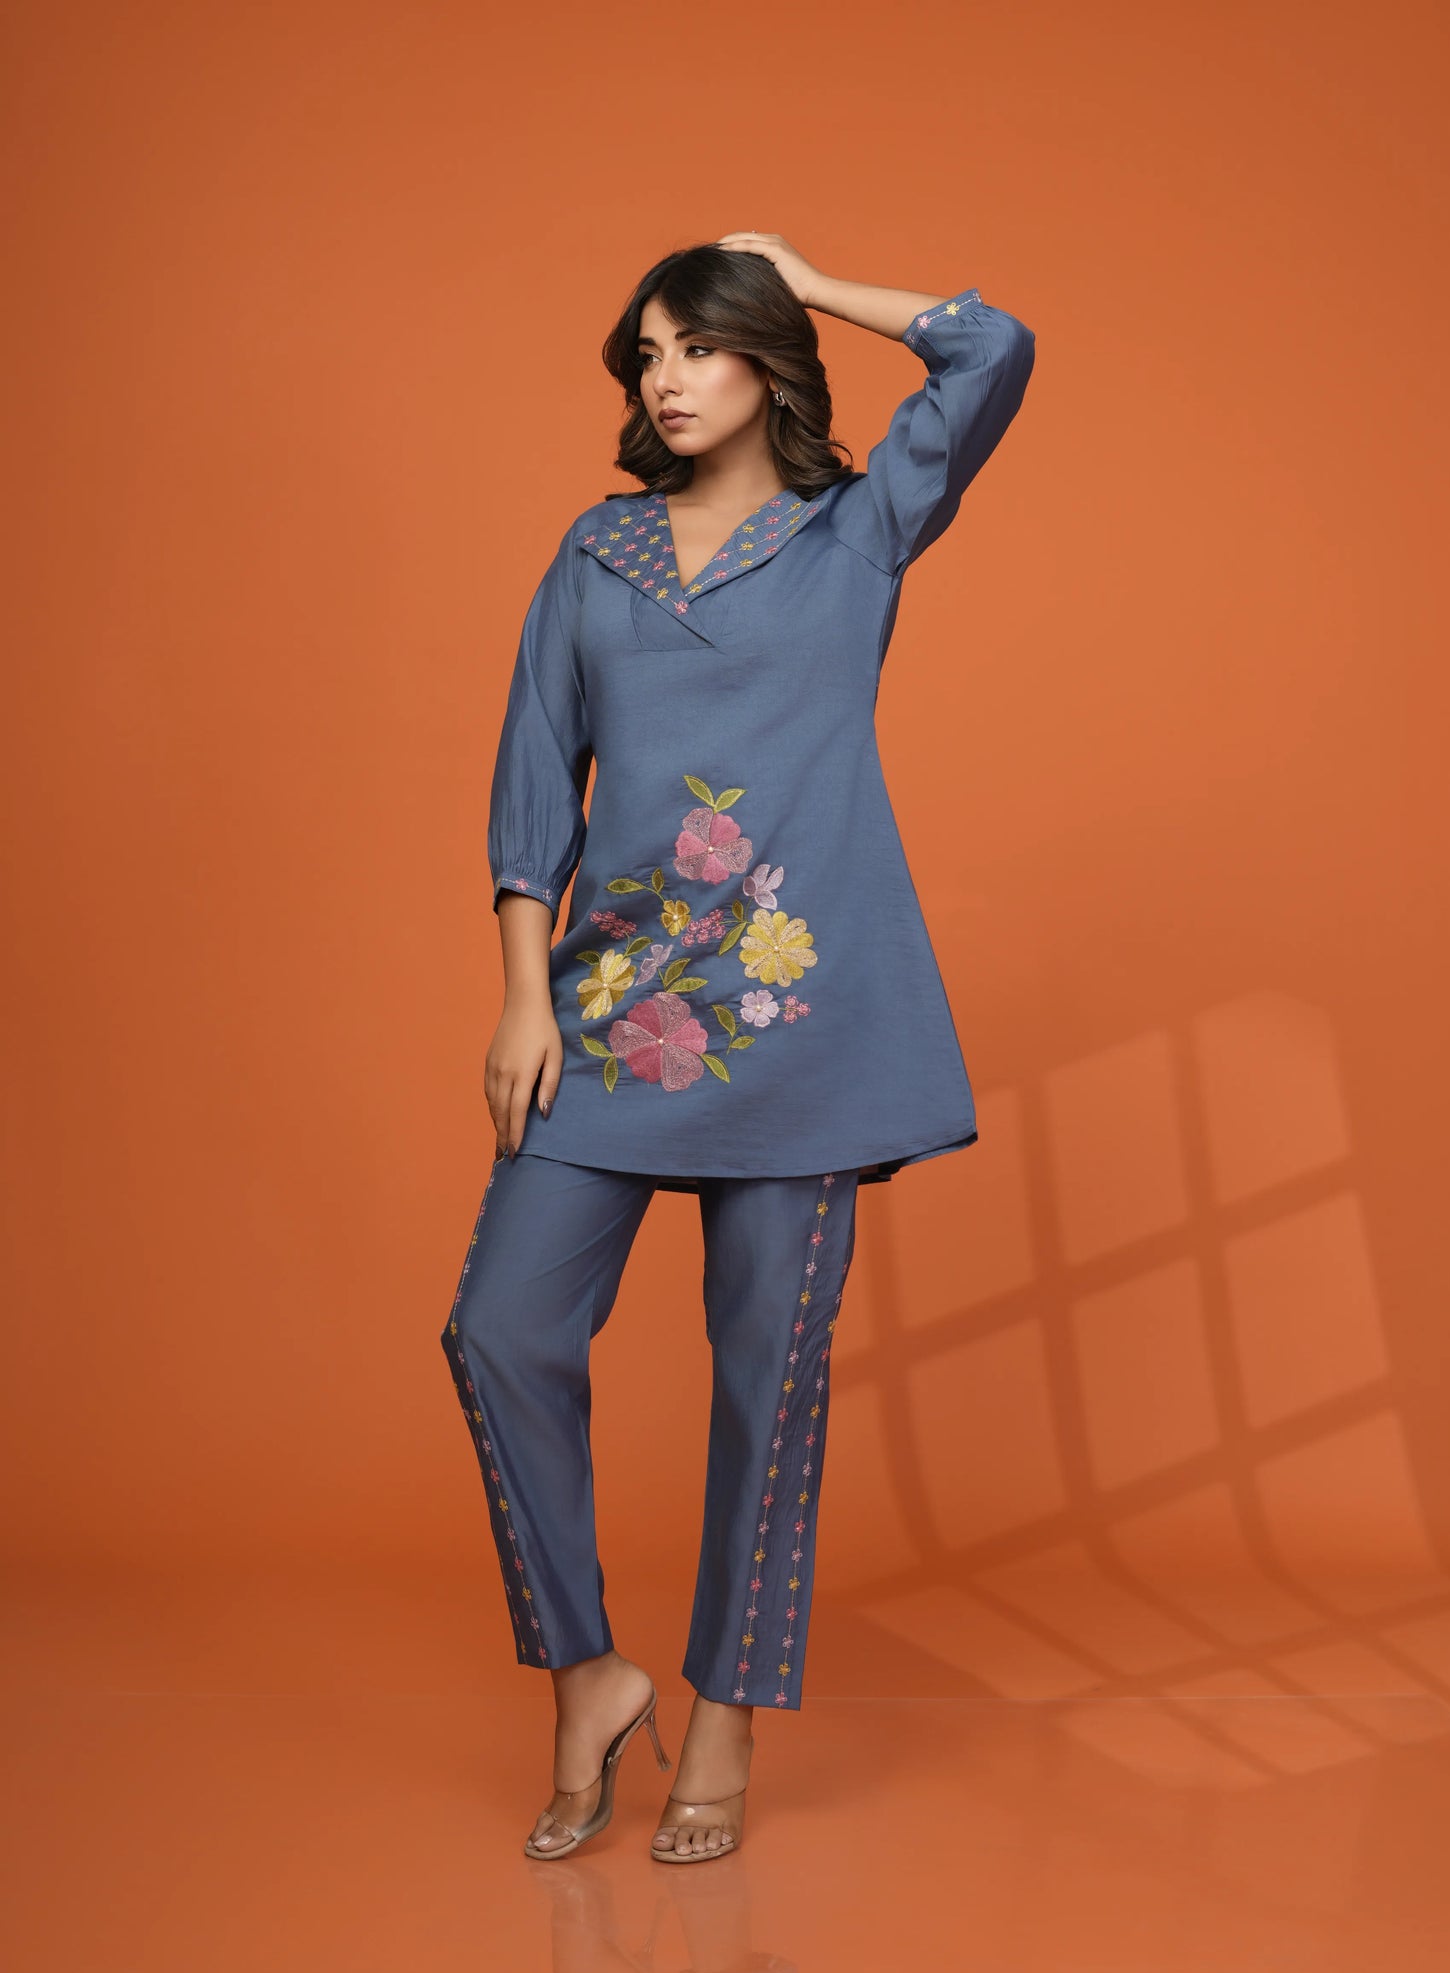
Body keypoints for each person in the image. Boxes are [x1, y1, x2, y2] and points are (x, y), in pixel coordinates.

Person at [440, 232, 1036, 1863]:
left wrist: (809, 274)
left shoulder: (859, 532)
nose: (667, 380)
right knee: (499, 1329)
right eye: (647, 354)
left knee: (768, 1379)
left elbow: (992, 349)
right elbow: (533, 774)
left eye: (699, 346)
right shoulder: (599, 550)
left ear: (769, 362)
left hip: (801, 1036)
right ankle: (589, 1677)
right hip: (609, 1021)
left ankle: (726, 1714)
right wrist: (521, 994)